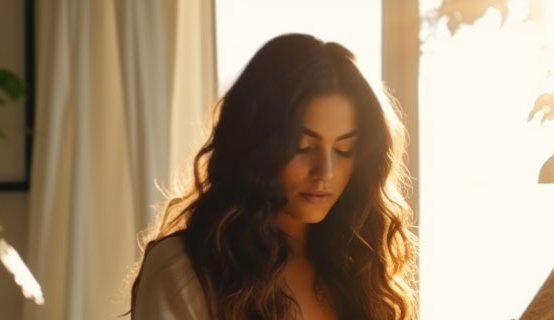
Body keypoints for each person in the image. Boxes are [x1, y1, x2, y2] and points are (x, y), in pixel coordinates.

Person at [126, 33, 418, 320]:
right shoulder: (185, 270)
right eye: (303, 147)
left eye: (344, 148)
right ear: (255, 143)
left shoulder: (359, 268)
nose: (325, 172)